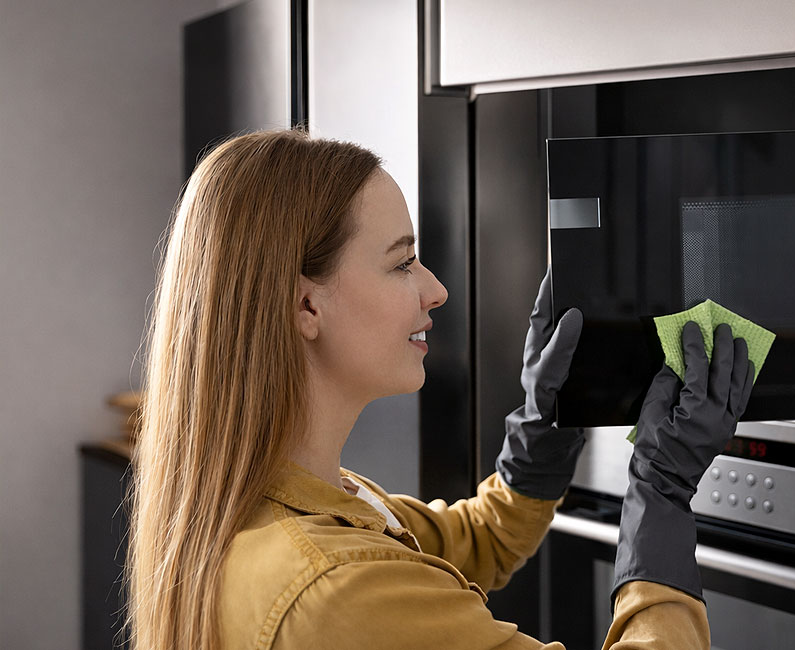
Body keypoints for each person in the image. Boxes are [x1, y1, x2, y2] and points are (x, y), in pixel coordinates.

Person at [127, 129, 754, 650]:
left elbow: (476, 541)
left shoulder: (302, 503)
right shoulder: (335, 588)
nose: (435, 289)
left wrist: (546, 424)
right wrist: (661, 497)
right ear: (304, 305)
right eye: (402, 263)